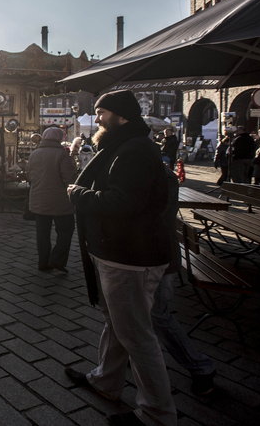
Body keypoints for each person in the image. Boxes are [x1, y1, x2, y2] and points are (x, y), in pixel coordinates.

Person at [65, 90, 176, 426]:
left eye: (101, 113)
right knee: (117, 324)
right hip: (119, 251)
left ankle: (157, 414)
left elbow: (122, 203)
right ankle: (106, 381)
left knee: (137, 335)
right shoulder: (127, 146)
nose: (96, 119)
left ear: (120, 115)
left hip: (131, 255)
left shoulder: (133, 151)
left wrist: (80, 193)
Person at [27, 127, 76, 272]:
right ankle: (57, 260)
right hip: (60, 202)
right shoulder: (62, 155)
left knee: (42, 234)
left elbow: (30, 176)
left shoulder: (34, 154)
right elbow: (69, 179)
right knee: (66, 231)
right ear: (59, 138)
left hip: (39, 201)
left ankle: (43, 263)